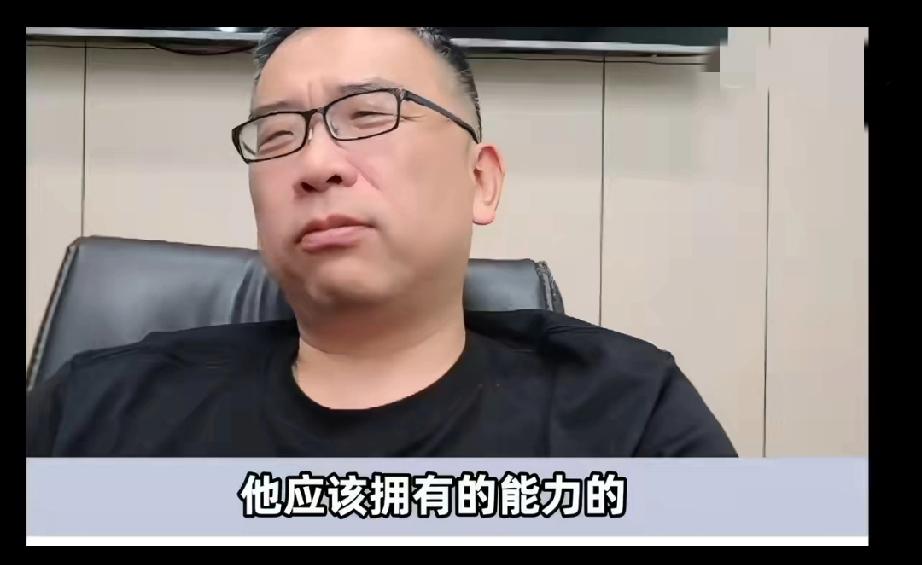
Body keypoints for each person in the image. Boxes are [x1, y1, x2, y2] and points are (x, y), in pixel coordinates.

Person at [26, 27, 736, 457]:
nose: (315, 164)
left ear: (481, 182)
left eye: (369, 115)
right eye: (278, 134)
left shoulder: (626, 417)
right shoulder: (97, 410)